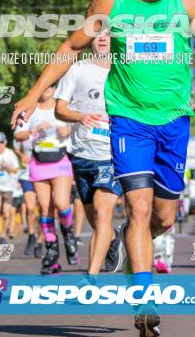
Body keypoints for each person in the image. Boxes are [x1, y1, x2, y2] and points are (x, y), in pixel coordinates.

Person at [12, 0, 195, 336]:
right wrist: (34, 95)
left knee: (164, 218)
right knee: (137, 209)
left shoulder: (187, 2)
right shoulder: (110, 2)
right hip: (127, 120)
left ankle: (127, 238)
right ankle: (144, 301)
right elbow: (70, 47)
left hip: (173, 121)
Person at [54, 32, 124, 281]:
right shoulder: (77, 70)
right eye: (97, 35)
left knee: (104, 213)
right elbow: (59, 109)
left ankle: (91, 276)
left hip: (113, 156)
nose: (103, 39)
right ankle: (114, 239)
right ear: (90, 40)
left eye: (108, 34)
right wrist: (79, 116)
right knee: (95, 218)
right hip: (81, 155)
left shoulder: (124, 69)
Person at [14, 83, 75, 274]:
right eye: (44, 87)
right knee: (46, 210)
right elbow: (18, 135)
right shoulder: (29, 109)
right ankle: (52, 253)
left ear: (55, 89)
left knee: (63, 204)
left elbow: (79, 123)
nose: (47, 91)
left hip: (61, 160)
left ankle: (69, 235)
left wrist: (69, 130)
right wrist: (34, 131)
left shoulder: (63, 106)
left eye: (51, 87)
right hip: (39, 163)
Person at [13, 125, 42, 257]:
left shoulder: (45, 123)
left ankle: (40, 242)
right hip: (27, 175)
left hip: (44, 173)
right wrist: (21, 155)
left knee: (44, 210)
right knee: (30, 208)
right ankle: (32, 236)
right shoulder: (22, 128)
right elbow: (15, 144)